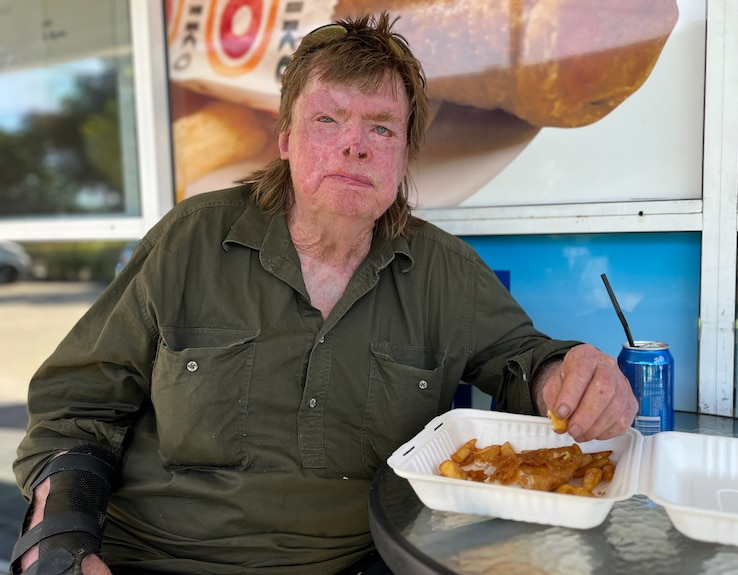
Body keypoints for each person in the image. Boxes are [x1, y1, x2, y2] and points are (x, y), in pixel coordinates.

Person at [11, 12, 637, 575]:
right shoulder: (190, 240)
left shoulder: (445, 271)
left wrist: (567, 374)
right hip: (156, 560)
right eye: (328, 119)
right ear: (284, 140)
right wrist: (59, 542)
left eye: (382, 127)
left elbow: (524, 357)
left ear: (404, 155)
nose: (354, 144)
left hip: (359, 564)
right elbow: (76, 408)